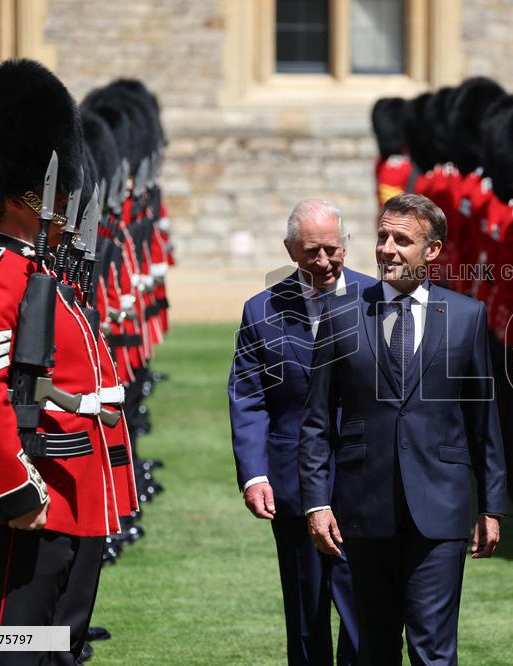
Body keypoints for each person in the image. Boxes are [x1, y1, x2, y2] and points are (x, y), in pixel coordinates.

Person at [0, 59, 120, 665]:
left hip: (65, 497)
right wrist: (18, 490)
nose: (68, 200)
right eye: (54, 189)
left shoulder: (45, 277)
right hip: (23, 502)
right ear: (24, 197)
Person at [299, 193, 507, 664]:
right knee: (373, 647)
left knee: (433, 651)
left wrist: (493, 505)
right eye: (382, 237)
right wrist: (316, 502)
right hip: (363, 509)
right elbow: (314, 423)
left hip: (441, 510)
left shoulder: (466, 317)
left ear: (432, 251)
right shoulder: (340, 314)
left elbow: (483, 422)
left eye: (402, 240)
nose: (387, 249)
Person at [229, 198, 371, 665]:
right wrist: (254, 475)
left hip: (364, 481)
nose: (325, 261)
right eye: (312, 251)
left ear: (346, 246)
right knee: (307, 616)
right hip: (292, 484)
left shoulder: (379, 302)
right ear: (290, 250)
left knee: (364, 615)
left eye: (332, 249)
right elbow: (249, 397)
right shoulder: (261, 311)